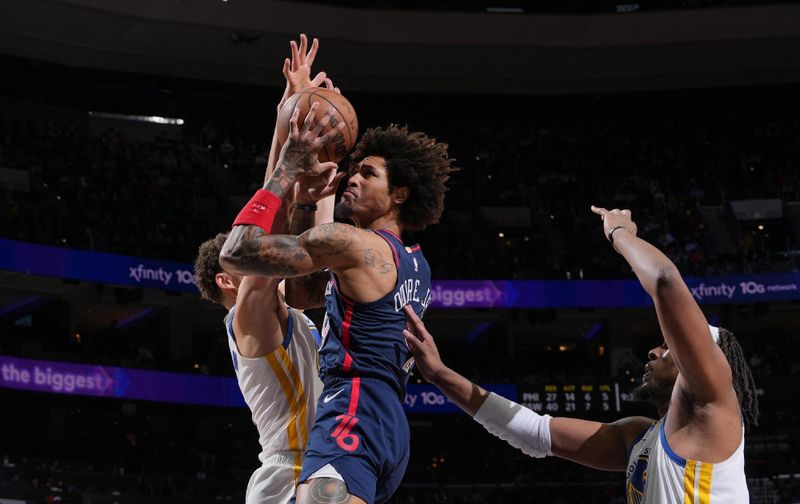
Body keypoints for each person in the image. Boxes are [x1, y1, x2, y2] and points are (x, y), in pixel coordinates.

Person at [402, 207, 758, 504]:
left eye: (667, 349)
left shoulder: (715, 404)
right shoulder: (638, 437)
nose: (654, 350)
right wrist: (438, 374)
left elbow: (664, 280)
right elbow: (534, 433)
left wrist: (619, 233)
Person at [219, 115, 456, 503]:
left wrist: (285, 170)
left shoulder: (351, 243)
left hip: (351, 410)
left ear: (399, 195)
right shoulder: (414, 263)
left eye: (368, 174)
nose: (353, 179)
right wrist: (310, 201)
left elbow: (236, 253)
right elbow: (301, 294)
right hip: (388, 424)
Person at [194, 34, 340, 504]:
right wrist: (287, 140)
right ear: (225, 279)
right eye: (242, 258)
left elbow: (312, 242)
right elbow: (268, 226)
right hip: (290, 474)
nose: (257, 253)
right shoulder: (248, 317)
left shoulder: (288, 315)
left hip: (318, 466)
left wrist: (300, 124)